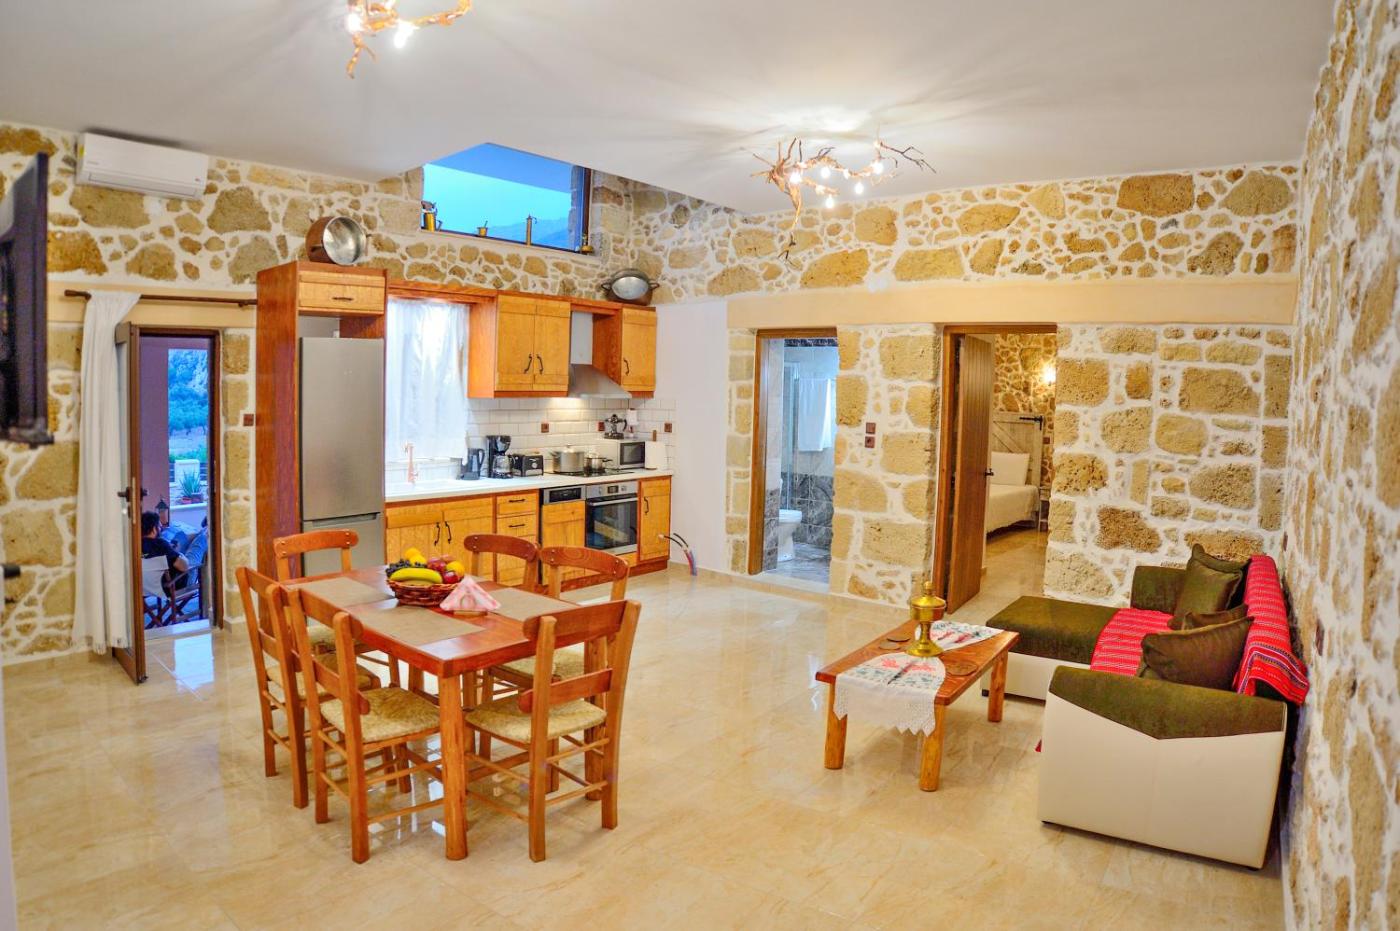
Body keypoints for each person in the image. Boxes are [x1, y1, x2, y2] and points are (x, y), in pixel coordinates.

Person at [141, 510, 188, 581]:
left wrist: (170, 550)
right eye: (160, 527)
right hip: (172, 584)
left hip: (147, 585)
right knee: (199, 541)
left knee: (179, 537)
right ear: (154, 529)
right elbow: (184, 567)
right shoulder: (161, 544)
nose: (161, 529)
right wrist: (179, 554)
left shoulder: (136, 546)